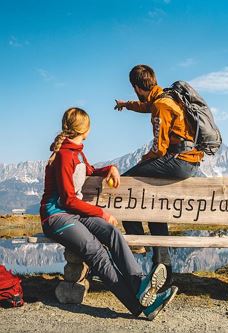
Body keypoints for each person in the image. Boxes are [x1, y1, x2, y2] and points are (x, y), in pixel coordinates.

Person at [40, 107, 177, 320]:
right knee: (97, 252)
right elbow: (67, 200)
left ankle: (141, 284)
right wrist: (101, 213)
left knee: (112, 233)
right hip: (57, 217)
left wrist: (109, 168)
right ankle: (141, 306)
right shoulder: (65, 156)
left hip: (72, 213)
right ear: (86, 129)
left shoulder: (76, 152)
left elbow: (89, 170)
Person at [114, 64, 203, 289]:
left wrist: (146, 158)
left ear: (136, 86)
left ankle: (138, 241)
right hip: (188, 159)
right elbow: (146, 106)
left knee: (124, 183)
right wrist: (126, 105)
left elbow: (160, 148)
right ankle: (163, 271)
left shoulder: (161, 106)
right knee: (155, 208)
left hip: (179, 162)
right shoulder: (166, 97)